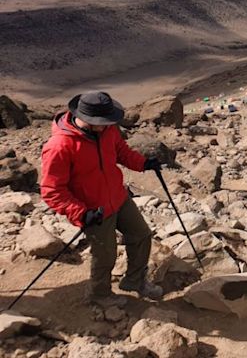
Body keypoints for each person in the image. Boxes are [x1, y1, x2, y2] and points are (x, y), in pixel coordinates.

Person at [40, 91, 163, 307]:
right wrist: (80, 212)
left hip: (118, 196)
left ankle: (134, 281)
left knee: (141, 234)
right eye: (102, 122)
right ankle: (100, 294)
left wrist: (143, 163)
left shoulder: (107, 129)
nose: (107, 126)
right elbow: (52, 190)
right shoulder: (59, 146)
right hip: (92, 209)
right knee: (105, 255)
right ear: (86, 119)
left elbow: (122, 152)